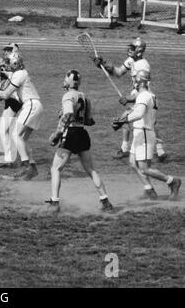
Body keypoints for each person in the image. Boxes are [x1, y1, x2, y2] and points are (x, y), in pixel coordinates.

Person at [46, 70, 113, 213]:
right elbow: (89, 121)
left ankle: (54, 202)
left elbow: (69, 114)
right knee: (91, 169)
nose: (64, 80)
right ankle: (105, 200)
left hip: (70, 133)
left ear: (70, 82)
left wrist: (57, 133)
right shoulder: (84, 97)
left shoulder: (67, 96)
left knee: (56, 168)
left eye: (65, 78)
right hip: (82, 133)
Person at [94, 37, 168, 162]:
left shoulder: (143, 66)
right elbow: (118, 72)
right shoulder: (131, 60)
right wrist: (104, 64)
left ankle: (124, 149)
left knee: (127, 118)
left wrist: (128, 98)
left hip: (144, 97)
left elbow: (142, 89)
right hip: (140, 95)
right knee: (149, 123)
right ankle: (160, 151)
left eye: (133, 48)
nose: (130, 49)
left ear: (139, 50)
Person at [112, 70, 181, 200]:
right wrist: (122, 120)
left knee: (145, 169)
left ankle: (172, 181)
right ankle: (149, 190)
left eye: (136, 79)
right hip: (141, 132)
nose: (134, 82)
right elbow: (135, 111)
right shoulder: (149, 96)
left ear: (142, 81)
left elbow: (138, 114)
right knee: (133, 163)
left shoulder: (144, 96)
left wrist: (123, 121)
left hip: (144, 133)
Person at [0, 53, 42, 181]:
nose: (7, 65)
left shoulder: (19, 75)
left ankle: (26, 167)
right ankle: (32, 168)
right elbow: (10, 75)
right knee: (23, 139)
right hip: (35, 106)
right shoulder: (20, 73)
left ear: (14, 64)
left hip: (31, 105)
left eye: (8, 63)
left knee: (15, 134)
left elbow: (5, 94)